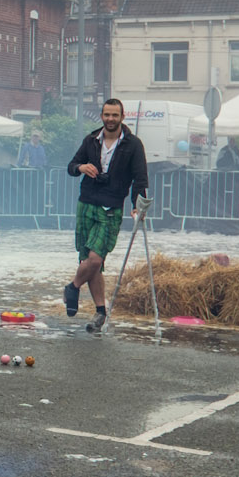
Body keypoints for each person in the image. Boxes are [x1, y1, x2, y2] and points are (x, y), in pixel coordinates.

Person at [63, 98, 149, 333]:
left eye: (115, 115)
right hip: (86, 205)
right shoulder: (91, 140)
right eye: (107, 115)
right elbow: (71, 166)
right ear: (102, 116)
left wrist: (137, 205)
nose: (110, 119)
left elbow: (140, 178)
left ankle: (72, 287)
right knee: (90, 262)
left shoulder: (133, 145)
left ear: (122, 117)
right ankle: (100, 312)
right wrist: (81, 168)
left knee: (96, 259)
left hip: (111, 207)